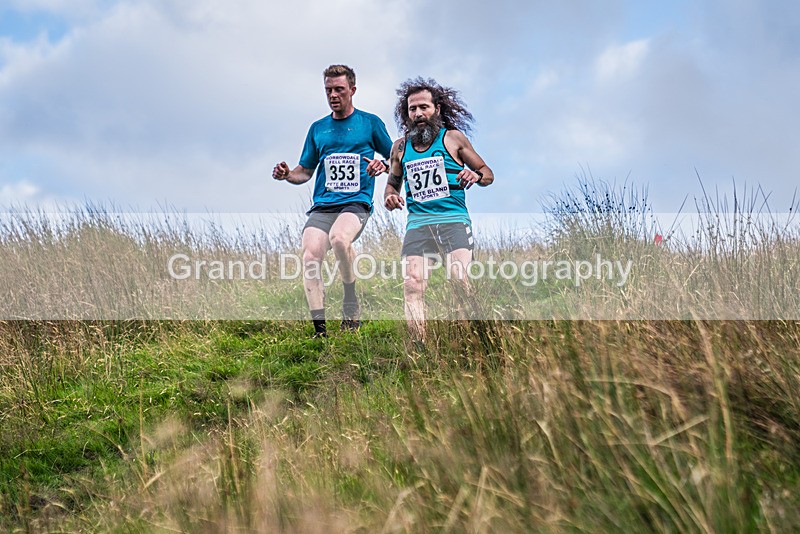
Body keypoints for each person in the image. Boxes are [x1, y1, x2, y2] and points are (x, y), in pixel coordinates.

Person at [273, 65, 392, 338]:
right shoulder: (318, 129)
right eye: (328, 90)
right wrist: (287, 174)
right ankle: (320, 330)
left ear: (352, 90)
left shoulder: (369, 123)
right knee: (311, 255)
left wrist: (381, 165)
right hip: (324, 204)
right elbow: (304, 171)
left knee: (340, 239)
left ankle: (350, 300)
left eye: (339, 89)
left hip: (356, 201)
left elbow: (395, 157)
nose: (333, 95)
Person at [383, 77, 494, 343]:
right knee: (412, 284)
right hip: (418, 224)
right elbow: (392, 185)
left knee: (459, 280)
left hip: (453, 220)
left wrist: (474, 176)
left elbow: (487, 173)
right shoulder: (399, 147)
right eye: (412, 109)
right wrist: (390, 198)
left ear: (437, 110)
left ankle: (479, 335)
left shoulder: (453, 139)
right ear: (406, 113)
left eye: (424, 107)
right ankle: (419, 345)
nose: (418, 114)